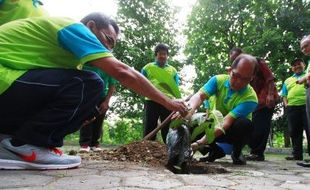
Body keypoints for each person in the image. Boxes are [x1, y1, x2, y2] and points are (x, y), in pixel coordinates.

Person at [0, 12, 188, 170]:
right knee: (89, 84)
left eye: (112, 47)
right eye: (108, 40)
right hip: (5, 77)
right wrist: (169, 102)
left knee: (84, 91)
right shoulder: (75, 28)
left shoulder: (65, 53)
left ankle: (8, 141)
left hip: (10, 83)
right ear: (91, 26)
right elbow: (123, 72)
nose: (107, 48)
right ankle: (28, 144)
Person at [187, 54, 258, 165]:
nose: (239, 82)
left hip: (232, 131)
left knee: (243, 124)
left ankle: (237, 152)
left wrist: (199, 143)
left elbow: (225, 123)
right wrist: (189, 111)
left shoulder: (251, 98)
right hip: (213, 124)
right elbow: (199, 96)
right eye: (236, 76)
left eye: (245, 79)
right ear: (230, 70)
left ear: (252, 78)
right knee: (192, 122)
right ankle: (214, 151)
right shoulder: (217, 80)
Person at [229, 48, 279, 161]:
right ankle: (254, 151)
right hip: (256, 100)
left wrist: (270, 94)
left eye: (236, 58)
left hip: (266, 98)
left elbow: (270, 78)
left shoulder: (258, 63)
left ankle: (258, 153)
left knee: (262, 125)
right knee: (254, 124)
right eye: (233, 61)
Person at [141, 44, 181, 143]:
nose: (162, 56)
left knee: (167, 126)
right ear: (156, 55)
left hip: (168, 102)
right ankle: (148, 146)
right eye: (160, 54)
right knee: (150, 124)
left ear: (167, 56)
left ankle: (167, 148)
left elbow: (175, 87)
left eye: (164, 54)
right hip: (152, 100)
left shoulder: (173, 70)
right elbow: (141, 83)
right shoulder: (147, 68)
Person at [79, 64, 116, 153]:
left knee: (99, 120)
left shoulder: (109, 68)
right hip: (87, 96)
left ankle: (95, 144)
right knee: (87, 119)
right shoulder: (85, 65)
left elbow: (112, 86)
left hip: (102, 97)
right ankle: (85, 144)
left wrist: (106, 102)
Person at [281, 58, 310, 161]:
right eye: (294, 65)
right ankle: (297, 155)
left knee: (309, 129)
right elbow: (284, 94)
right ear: (292, 68)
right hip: (292, 108)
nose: (297, 66)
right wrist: (286, 105)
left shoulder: (307, 76)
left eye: (299, 64)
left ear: (304, 65)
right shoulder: (288, 80)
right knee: (294, 131)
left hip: (306, 106)